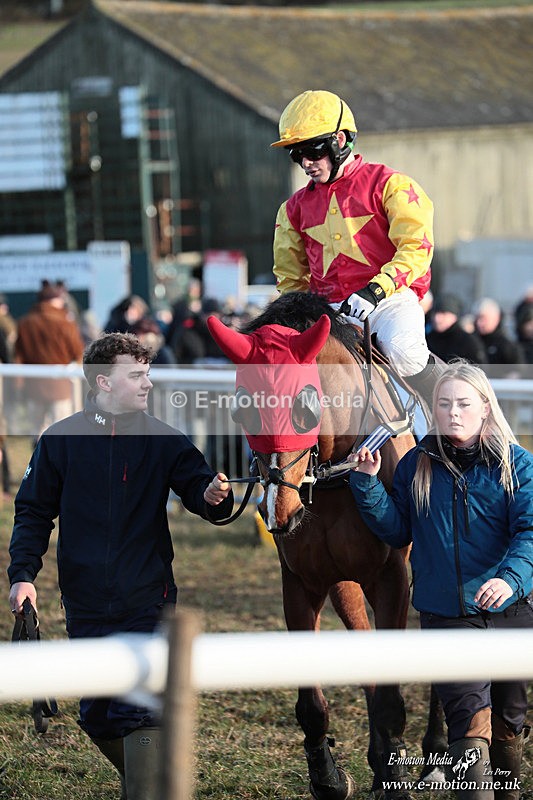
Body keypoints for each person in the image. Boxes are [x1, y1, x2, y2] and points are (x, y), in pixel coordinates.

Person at [7, 332, 233, 800]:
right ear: (103, 382)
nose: (147, 383)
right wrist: (23, 576)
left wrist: (213, 497)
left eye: (148, 374)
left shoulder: (166, 440)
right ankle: (154, 778)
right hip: (85, 599)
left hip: (148, 597)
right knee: (98, 714)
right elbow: (32, 512)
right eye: (136, 375)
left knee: (139, 710)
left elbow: (201, 492)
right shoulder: (58, 440)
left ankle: (151, 786)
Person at [348, 361, 533, 800]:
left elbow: (531, 531)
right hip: (445, 615)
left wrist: (511, 580)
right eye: (444, 403)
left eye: (463, 404)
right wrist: (368, 485)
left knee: (509, 718)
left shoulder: (518, 463)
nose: (453, 412)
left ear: (485, 407)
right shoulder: (416, 464)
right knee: (468, 724)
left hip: (511, 610)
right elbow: (397, 532)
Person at [271, 89, 437, 401]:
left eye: (312, 150)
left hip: (389, 302)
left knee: (404, 351)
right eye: (296, 154)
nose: (305, 163)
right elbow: (291, 280)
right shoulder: (291, 209)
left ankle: (453, 424)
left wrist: (376, 290)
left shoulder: (392, 185)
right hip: (327, 312)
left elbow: (416, 247)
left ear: (341, 140)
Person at [15, 280, 85, 439]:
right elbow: (77, 351)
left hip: (33, 385)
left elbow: (19, 354)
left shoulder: (25, 322)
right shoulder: (65, 322)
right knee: (62, 431)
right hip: (60, 386)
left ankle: (38, 462)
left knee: (36, 432)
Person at [426, 293, 487, 364]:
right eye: (435, 313)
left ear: (454, 316)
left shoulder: (468, 342)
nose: (437, 318)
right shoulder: (427, 339)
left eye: (443, 313)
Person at [473, 298, 524, 377]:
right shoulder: (470, 342)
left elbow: (517, 371)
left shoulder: (507, 345)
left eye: (484, 318)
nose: (479, 323)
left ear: (496, 318)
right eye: (477, 318)